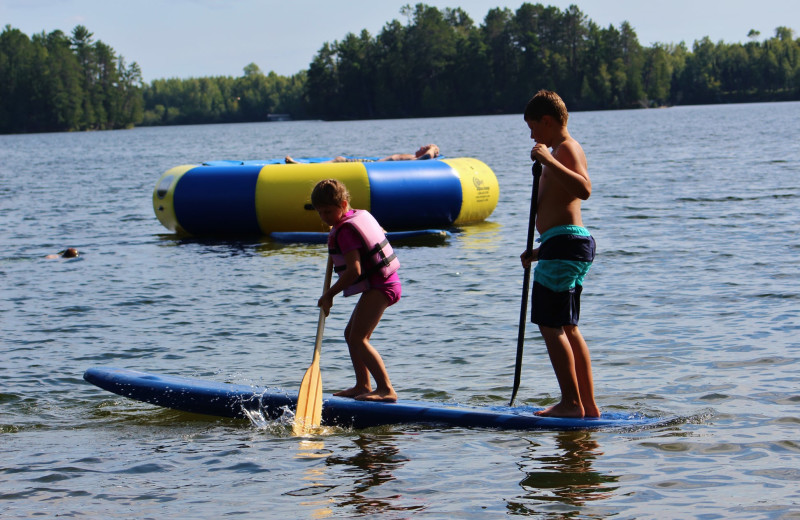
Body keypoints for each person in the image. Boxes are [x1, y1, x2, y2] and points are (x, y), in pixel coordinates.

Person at [519, 90, 599, 418]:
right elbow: (557, 207)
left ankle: (572, 403)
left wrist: (549, 160)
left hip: (567, 244)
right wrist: (540, 251)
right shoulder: (560, 150)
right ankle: (588, 406)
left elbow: (584, 189)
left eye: (533, 127)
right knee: (567, 326)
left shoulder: (566, 148)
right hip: (562, 244)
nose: (532, 135)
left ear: (548, 121)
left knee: (551, 326)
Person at [311, 178, 400, 402]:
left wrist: (329, 294)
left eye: (328, 212)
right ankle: (362, 385)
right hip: (380, 284)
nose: (324, 218)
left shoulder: (346, 231)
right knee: (351, 336)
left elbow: (354, 271)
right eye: (320, 213)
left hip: (382, 286)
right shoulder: (351, 219)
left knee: (359, 338)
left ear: (343, 205)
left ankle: (386, 389)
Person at [286, 144, 439, 164]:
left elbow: (426, 158)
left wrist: (433, 148)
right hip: (374, 163)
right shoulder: (413, 158)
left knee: (339, 160)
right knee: (340, 159)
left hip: (374, 167)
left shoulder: (416, 160)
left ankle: (301, 166)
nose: (420, 147)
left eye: (423, 147)